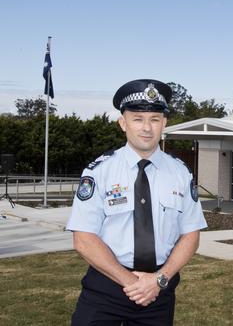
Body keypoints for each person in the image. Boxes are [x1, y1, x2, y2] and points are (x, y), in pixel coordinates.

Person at [67, 79, 207, 325]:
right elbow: (84, 239)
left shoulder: (181, 173)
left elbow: (191, 235)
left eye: (154, 119)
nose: (147, 128)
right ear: (123, 123)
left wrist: (158, 281)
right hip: (105, 291)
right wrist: (133, 283)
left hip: (158, 293)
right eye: (137, 119)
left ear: (164, 124)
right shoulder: (99, 171)